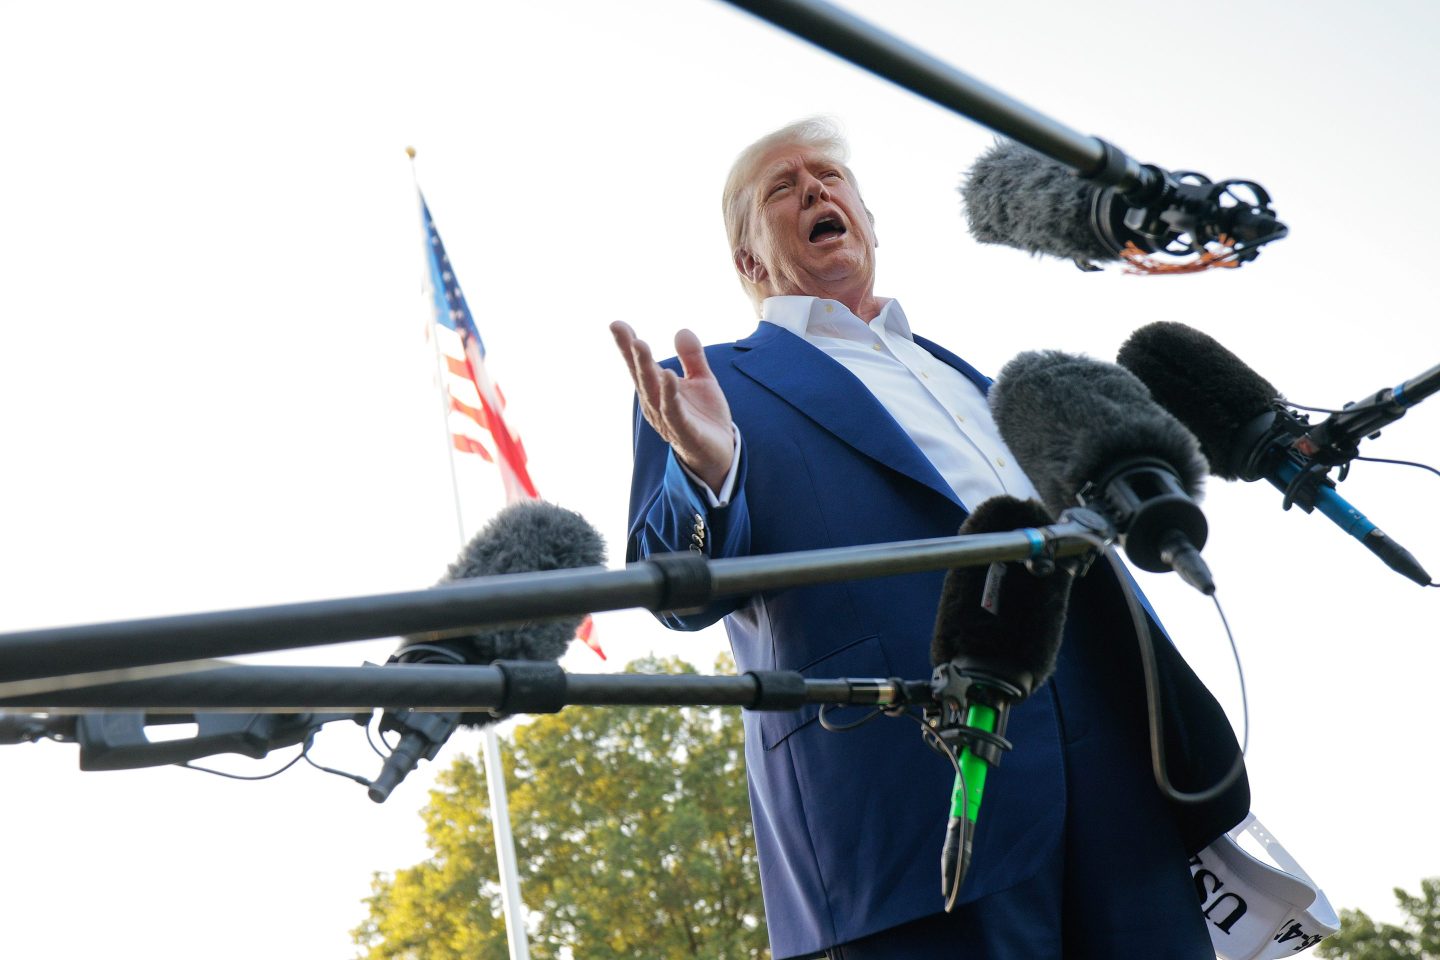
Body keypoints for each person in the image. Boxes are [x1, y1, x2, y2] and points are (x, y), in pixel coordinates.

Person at [612, 118, 1248, 960]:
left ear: (869, 221)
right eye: (782, 187)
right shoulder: (709, 386)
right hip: (904, 783)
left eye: (831, 176)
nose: (815, 190)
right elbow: (674, 588)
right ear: (749, 260)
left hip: (1120, 766)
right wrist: (709, 473)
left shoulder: (973, 375)